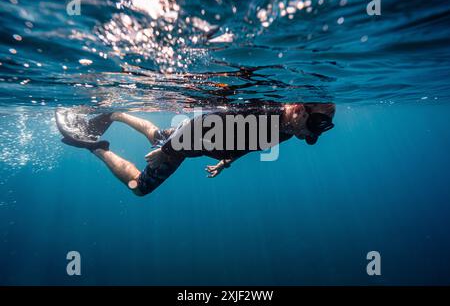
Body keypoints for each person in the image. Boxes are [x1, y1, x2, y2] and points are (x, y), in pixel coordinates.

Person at [60, 103, 335, 196]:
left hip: (184, 141)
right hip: (182, 145)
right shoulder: (265, 114)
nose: (311, 135)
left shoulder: (286, 130)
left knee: (155, 134)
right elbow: (206, 120)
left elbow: (250, 145)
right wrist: (167, 150)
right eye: (318, 123)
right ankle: (96, 148)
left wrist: (226, 162)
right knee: (140, 187)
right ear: (299, 110)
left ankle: (116, 114)